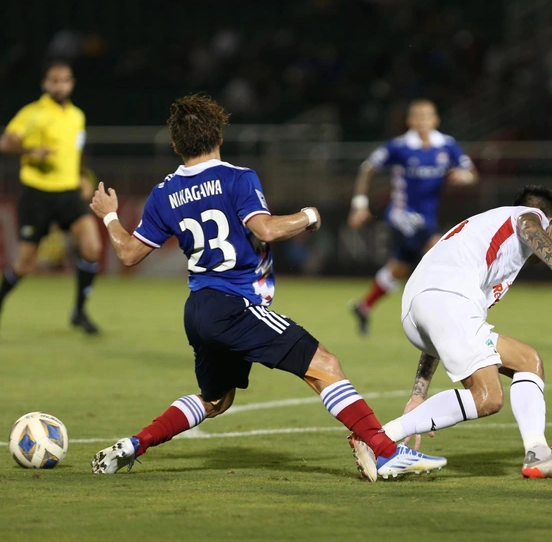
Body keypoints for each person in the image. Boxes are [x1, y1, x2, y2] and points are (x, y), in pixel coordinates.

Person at [89, 94, 446, 480]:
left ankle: (134, 444)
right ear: (219, 136)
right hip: (235, 305)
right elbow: (267, 229)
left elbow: (127, 253)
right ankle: (385, 451)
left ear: (176, 145)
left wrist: (109, 215)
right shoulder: (238, 177)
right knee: (325, 365)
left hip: (199, 309)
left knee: (215, 399)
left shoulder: (164, 194)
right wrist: (309, 215)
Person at [349, 185, 552, 481]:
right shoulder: (529, 216)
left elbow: (443, 328)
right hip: (445, 299)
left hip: (419, 309)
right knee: (488, 397)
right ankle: (377, 439)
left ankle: (538, 452)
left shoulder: (483, 239)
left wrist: (419, 393)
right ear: (550, 223)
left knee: (528, 360)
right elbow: (529, 225)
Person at [348, 99, 478, 335]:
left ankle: (364, 306)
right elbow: (368, 168)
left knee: (398, 268)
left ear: (436, 119)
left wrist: (464, 177)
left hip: (428, 215)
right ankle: (447, 319)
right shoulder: (399, 146)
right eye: (417, 116)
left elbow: (471, 174)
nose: (422, 121)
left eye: (427, 116)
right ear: (409, 121)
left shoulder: (446, 145)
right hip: (402, 214)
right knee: (440, 252)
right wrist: (359, 205)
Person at [0, 60, 102, 334]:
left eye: (65, 80)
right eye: (54, 81)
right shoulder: (33, 113)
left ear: (71, 84)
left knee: (92, 247)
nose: (60, 85)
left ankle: (79, 312)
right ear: (45, 84)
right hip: (37, 194)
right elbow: (6, 142)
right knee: (24, 264)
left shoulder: (77, 116)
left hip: (68, 193)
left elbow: (74, 152)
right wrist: (30, 151)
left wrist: (81, 177)